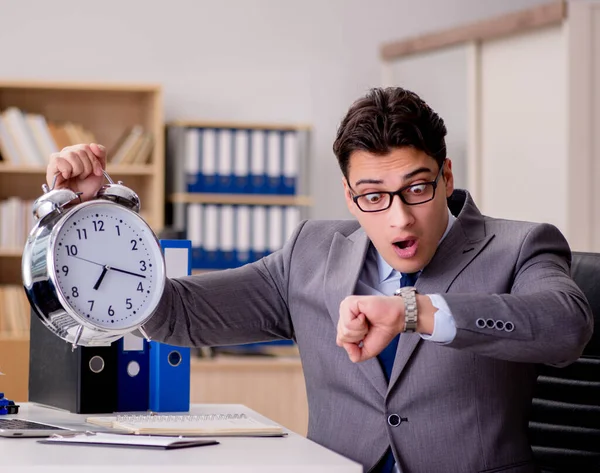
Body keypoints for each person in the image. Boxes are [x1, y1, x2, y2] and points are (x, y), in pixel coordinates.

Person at [46, 87, 593, 473]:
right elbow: (175, 314)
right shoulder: (310, 253)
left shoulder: (519, 245)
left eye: (418, 188)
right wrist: (100, 221)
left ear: (446, 176)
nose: (399, 218)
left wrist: (417, 311)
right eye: (374, 197)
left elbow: (565, 325)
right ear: (349, 196)